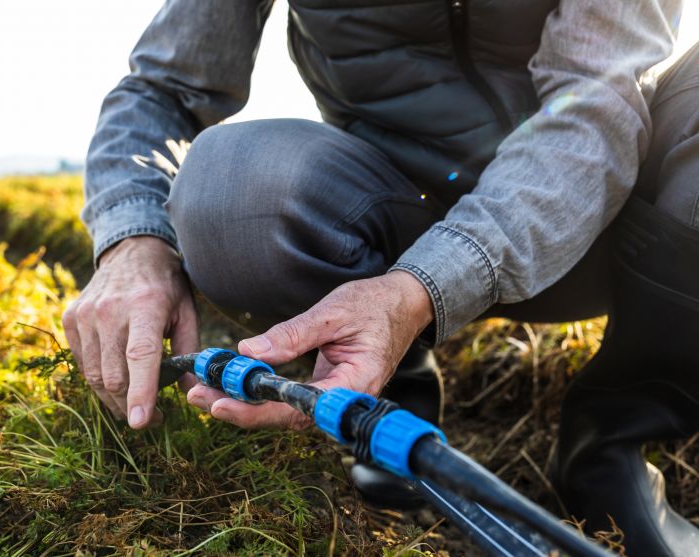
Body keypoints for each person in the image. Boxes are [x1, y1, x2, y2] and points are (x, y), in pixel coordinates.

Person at [62, 1, 699, 555]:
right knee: (227, 186)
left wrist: (427, 283)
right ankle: (389, 387)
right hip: (395, 219)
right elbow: (163, 88)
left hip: (605, 223)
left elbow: (596, 105)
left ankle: (610, 441)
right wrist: (132, 242)